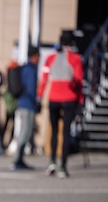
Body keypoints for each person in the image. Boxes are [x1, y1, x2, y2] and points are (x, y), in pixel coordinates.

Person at [37, 31, 84, 178]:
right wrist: (80, 100)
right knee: (66, 132)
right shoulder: (75, 58)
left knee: (54, 131)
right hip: (69, 98)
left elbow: (44, 78)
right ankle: (63, 166)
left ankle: (52, 162)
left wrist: (39, 97)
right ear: (71, 43)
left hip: (54, 98)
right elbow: (79, 81)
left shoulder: (51, 57)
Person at [11, 46, 40, 171]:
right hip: (27, 104)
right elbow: (31, 89)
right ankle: (18, 159)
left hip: (22, 103)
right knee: (25, 132)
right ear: (35, 56)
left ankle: (19, 158)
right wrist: (36, 102)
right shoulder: (31, 69)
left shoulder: (24, 68)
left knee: (24, 131)